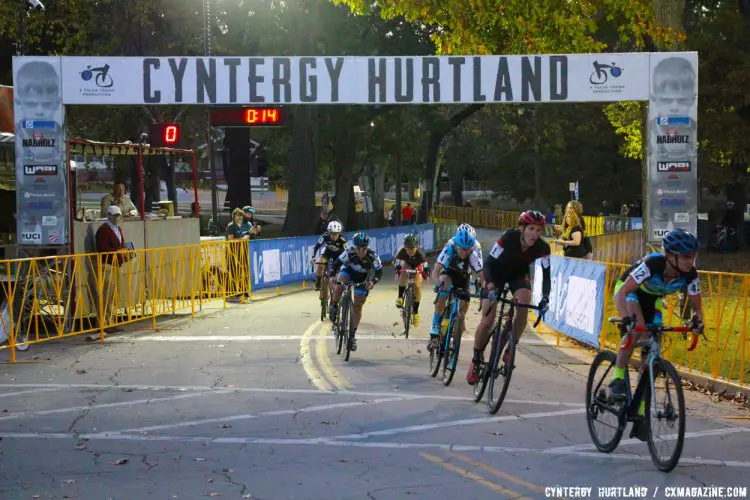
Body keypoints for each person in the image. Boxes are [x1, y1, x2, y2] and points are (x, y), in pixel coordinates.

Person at [607, 229, 704, 400]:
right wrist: (626, 319)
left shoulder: (691, 274)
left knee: (653, 340)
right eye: (686, 257)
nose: (691, 261)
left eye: (693, 256)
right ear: (670, 256)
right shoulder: (653, 264)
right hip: (630, 291)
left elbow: (698, 308)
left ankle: (641, 406)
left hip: (653, 298)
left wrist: (698, 322)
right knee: (637, 329)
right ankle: (617, 379)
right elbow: (622, 293)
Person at [468, 210, 551, 385]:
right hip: (496, 273)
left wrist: (545, 297)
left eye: (538, 230)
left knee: (524, 304)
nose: (535, 234)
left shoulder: (543, 248)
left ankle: (510, 347)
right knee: (488, 319)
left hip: (518, 275)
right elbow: (489, 263)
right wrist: (489, 284)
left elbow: (546, 275)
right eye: (531, 229)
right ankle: (476, 359)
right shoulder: (508, 238)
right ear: (521, 228)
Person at [429, 226, 483, 350]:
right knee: (443, 286)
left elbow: (481, 274)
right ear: (457, 244)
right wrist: (438, 283)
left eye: (468, 249)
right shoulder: (450, 246)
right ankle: (436, 323)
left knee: (462, 315)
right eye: (462, 249)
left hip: (465, 275)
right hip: (450, 271)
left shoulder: (476, 247)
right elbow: (436, 271)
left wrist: (482, 290)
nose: (465, 252)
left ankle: (455, 335)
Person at [328, 232, 383, 352]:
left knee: (358, 305)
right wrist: (332, 276)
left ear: (367, 247)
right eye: (358, 248)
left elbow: (379, 272)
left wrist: (373, 281)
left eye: (364, 248)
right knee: (339, 285)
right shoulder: (349, 252)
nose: (361, 251)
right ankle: (334, 305)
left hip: (363, 278)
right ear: (355, 247)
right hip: (348, 273)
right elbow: (336, 264)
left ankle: (352, 336)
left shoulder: (373, 256)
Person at [89, 206, 133, 340]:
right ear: (108, 215)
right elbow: (103, 248)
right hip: (107, 265)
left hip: (115, 264)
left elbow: (120, 245)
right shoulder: (103, 230)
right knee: (106, 295)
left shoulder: (117, 229)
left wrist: (124, 253)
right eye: (114, 215)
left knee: (114, 294)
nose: (116, 218)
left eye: (118, 215)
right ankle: (104, 323)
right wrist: (120, 253)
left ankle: (111, 321)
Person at [393, 233, 430, 327]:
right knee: (403, 269)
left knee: (417, 286)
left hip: (418, 266)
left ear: (416, 246)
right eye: (407, 248)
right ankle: (400, 297)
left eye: (412, 248)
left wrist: (426, 276)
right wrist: (397, 272)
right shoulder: (401, 251)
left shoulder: (420, 254)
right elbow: (397, 264)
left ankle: (416, 313)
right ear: (404, 247)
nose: (409, 251)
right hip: (408, 264)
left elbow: (426, 268)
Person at [311, 220, 348, 293]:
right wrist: (313, 258)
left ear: (339, 233)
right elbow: (315, 248)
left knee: (337, 276)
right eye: (332, 234)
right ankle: (318, 283)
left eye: (336, 234)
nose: (334, 236)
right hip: (328, 252)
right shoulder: (325, 236)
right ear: (329, 232)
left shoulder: (343, 239)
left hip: (338, 255)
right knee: (321, 264)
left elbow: (347, 252)